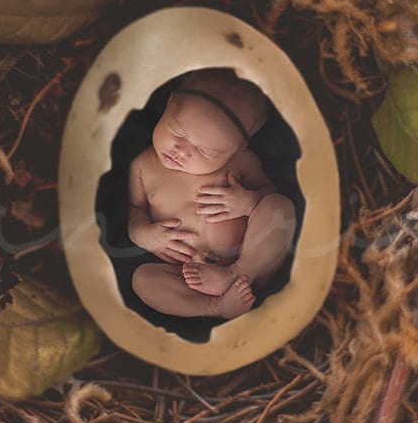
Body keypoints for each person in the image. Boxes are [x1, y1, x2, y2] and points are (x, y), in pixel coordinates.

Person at [127, 69, 297, 319]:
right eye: (177, 132)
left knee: (280, 207)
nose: (181, 151)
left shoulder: (241, 163)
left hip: (253, 262)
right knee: (142, 280)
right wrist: (143, 236)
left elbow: (269, 194)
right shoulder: (141, 166)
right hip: (186, 275)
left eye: (205, 151)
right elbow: (134, 210)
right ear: (169, 102)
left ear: (237, 150)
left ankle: (237, 273)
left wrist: (248, 203)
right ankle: (215, 308)